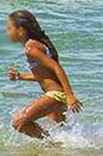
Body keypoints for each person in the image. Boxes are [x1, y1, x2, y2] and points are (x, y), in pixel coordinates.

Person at [5, 10, 81, 139]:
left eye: (9, 28)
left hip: (55, 96)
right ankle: (64, 154)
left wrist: (70, 95)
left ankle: (51, 145)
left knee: (18, 123)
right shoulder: (36, 44)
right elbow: (46, 75)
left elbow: (57, 68)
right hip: (57, 95)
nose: (7, 32)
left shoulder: (31, 48)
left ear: (21, 30)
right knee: (64, 133)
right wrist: (20, 76)